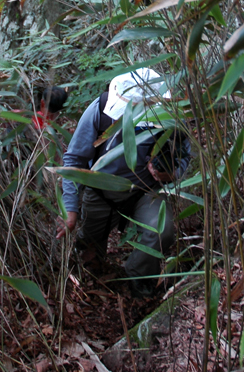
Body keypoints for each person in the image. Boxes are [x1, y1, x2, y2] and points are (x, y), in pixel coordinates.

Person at [56, 68, 191, 298]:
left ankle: (139, 277)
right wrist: (70, 210)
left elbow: (184, 157)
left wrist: (171, 173)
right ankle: (94, 284)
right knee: (87, 249)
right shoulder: (99, 110)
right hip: (100, 191)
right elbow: (73, 160)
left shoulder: (168, 118)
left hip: (145, 191)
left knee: (162, 231)